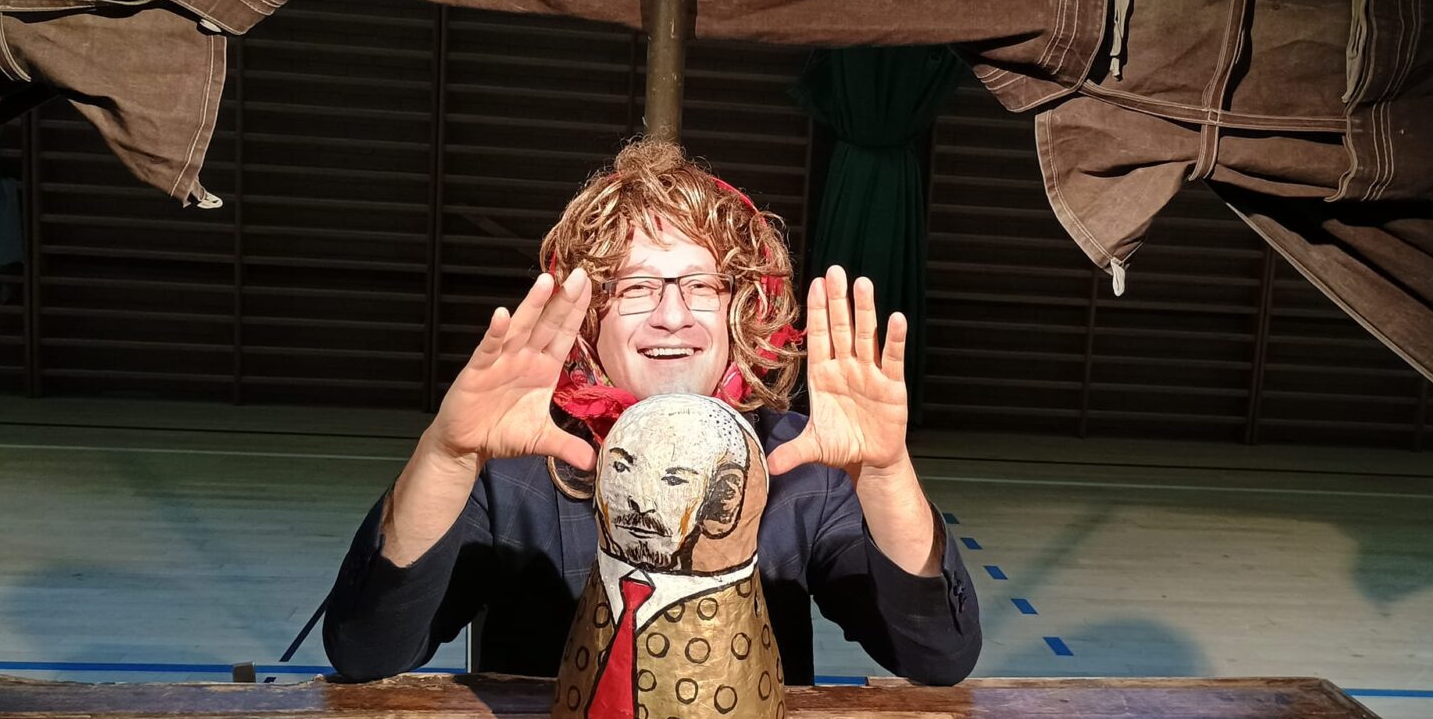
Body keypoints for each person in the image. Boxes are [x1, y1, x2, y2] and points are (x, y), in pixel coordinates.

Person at [322, 140, 981, 686]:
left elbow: (939, 656)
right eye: (637, 287)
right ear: (590, 317)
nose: (673, 315)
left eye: (701, 285)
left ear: (740, 308)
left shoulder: (799, 467)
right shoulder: (511, 468)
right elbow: (367, 649)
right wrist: (447, 457)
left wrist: (885, 473)